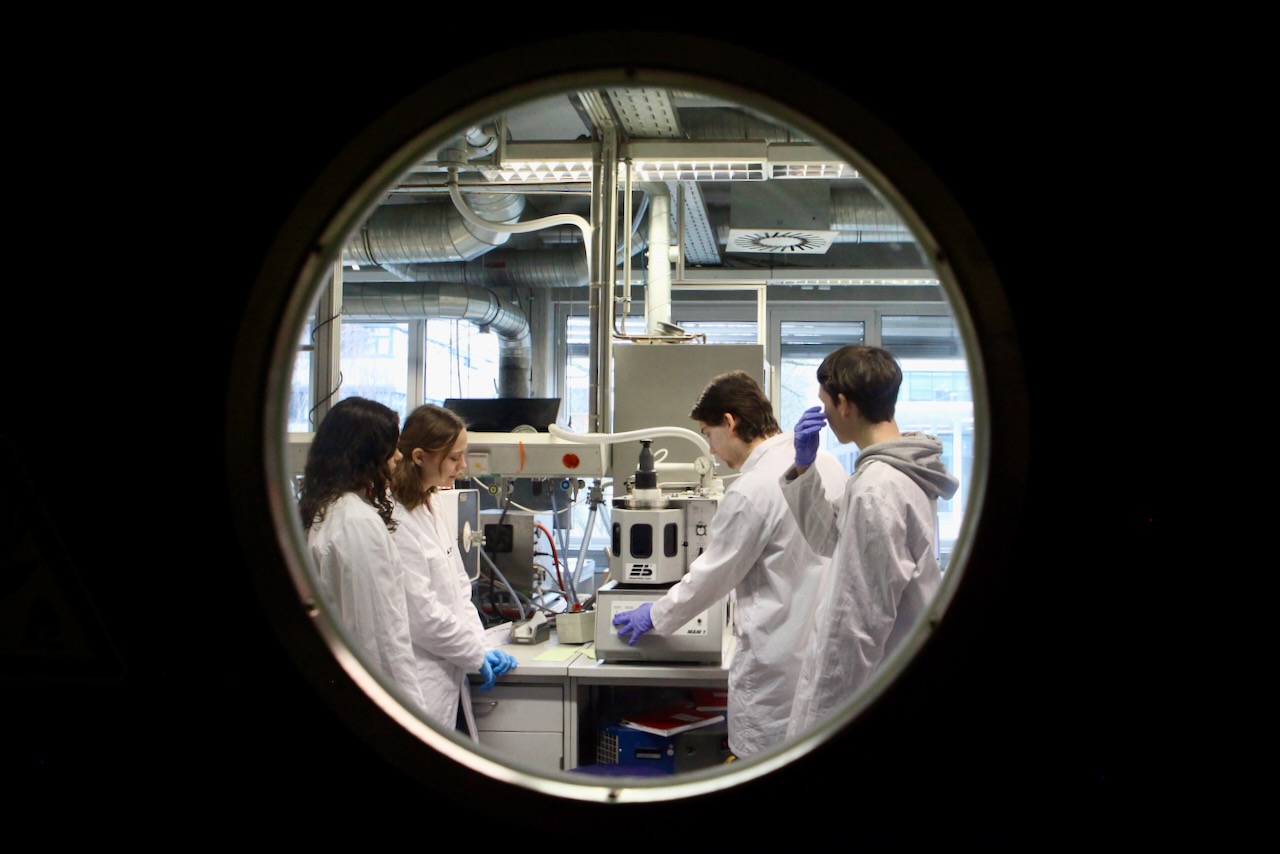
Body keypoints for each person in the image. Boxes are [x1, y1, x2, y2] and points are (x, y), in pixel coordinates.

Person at [611, 370, 847, 758]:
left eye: (708, 434)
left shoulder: (751, 490)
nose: (710, 451)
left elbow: (712, 576)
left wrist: (654, 615)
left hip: (774, 669)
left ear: (729, 422)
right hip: (826, 662)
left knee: (764, 767)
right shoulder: (826, 462)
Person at [780, 344, 959, 737]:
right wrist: (805, 468)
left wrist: (815, 733)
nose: (825, 414)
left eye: (825, 403)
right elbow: (831, 539)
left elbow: (854, 624)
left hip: (869, 692)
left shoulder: (879, 487)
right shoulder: (897, 471)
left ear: (844, 404)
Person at [389, 403, 517, 732]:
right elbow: (422, 614)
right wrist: (474, 653)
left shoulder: (431, 502)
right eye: (453, 458)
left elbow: (460, 588)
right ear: (420, 457)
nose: (463, 466)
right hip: (423, 678)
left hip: (450, 669)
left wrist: (480, 646)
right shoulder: (396, 520)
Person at [298, 396, 426, 713]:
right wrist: (410, 716)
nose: (398, 457)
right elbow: (380, 637)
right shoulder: (356, 523)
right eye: (391, 449)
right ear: (366, 454)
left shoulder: (325, 507)